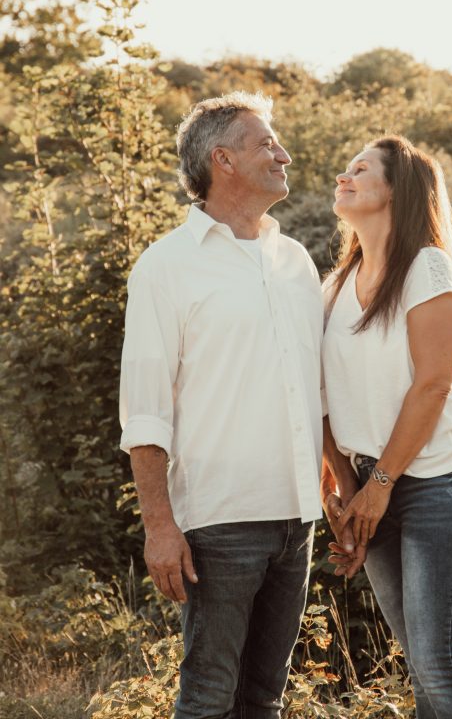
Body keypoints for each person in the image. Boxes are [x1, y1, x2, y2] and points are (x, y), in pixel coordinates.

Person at [119, 91, 324, 719]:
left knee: (264, 698)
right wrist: (159, 524)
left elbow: (314, 394)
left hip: (298, 516)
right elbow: (145, 409)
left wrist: (333, 487)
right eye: (266, 143)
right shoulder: (166, 266)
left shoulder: (295, 261)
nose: (283, 154)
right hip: (220, 520)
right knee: (209, 694)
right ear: (222, 160)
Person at [321, 134, 452, 719]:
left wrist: (380, 485)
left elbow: (432, 387)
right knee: (419, 663)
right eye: (346, 168)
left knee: (441, 662)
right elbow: (319, 399)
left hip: (441, 483)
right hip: (374, 486)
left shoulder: (429, 267)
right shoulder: (336, 286)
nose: (344, 176)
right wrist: (346, 486)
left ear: (397, 189)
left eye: (361, 168)